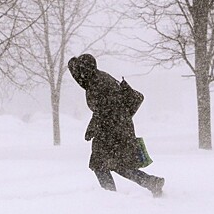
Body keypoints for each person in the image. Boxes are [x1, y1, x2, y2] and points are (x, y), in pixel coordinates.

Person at [68, 54, 165, 197]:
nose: (80, 74)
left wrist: (92, 127)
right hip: (118, 127)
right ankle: (151, 182)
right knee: (119, 165)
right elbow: (105, 106)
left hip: (112, 129)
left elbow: (104, 108)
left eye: (82, 69)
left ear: (88, 69)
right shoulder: (97, 79)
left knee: (100, 164)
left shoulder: (98, 83)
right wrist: (73, 64)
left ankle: (110, 197)